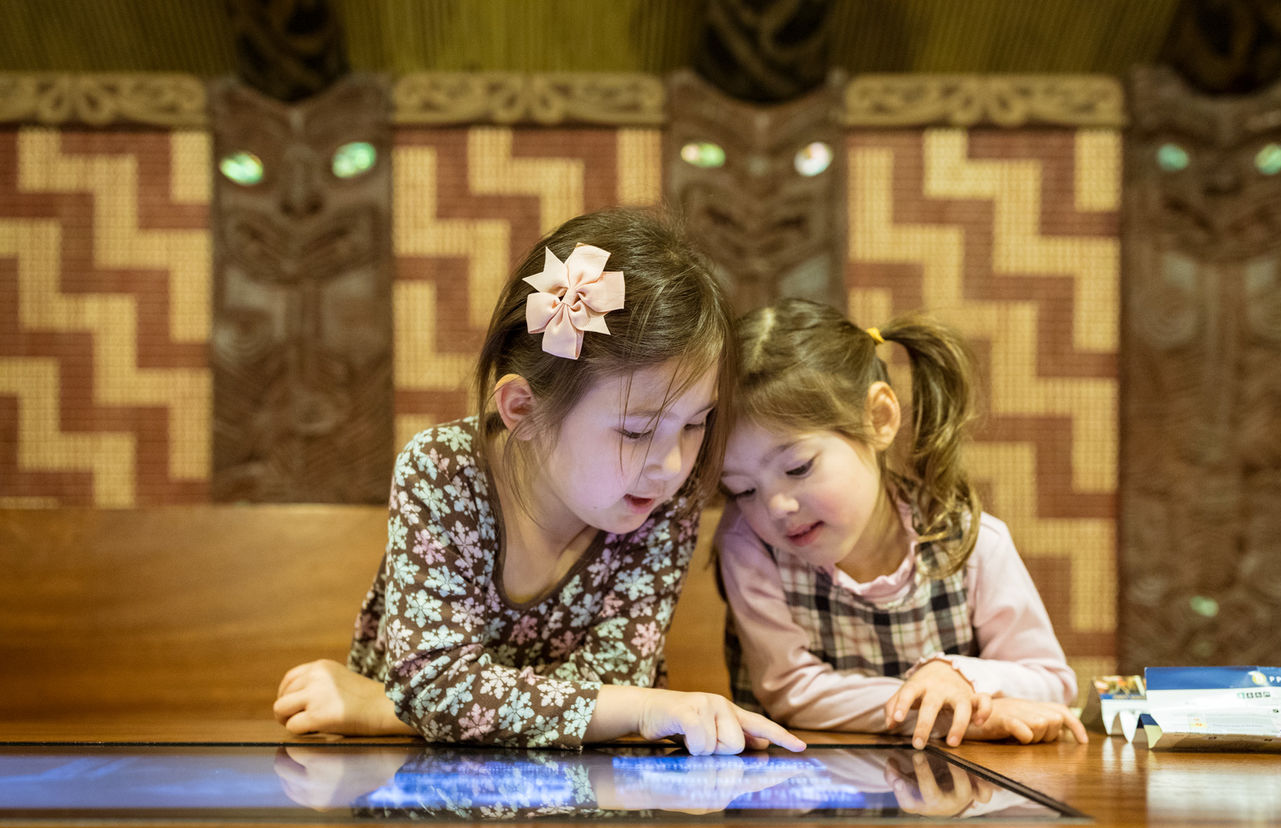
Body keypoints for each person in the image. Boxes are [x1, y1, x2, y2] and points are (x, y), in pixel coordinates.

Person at [274, 207, 804, 756]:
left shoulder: (663, 501)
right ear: (523, 409)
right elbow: (433, 684)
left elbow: (616, 680)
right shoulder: (443, 472)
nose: (672, 465)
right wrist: (638, 707)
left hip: (585, 798)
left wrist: (381, 709)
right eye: (636, 430)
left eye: (696, 424)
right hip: (410, 787)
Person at [716, 298, 1087, 749]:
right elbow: (792, 691)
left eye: (798, 468)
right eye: (742, 489)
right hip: (801, 797)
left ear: (879, 419)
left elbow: (1052, 680)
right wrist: (941, 709)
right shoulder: (748, 544)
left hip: (955, 797)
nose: (776, 507)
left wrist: (959, 677)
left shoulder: (971, 543)